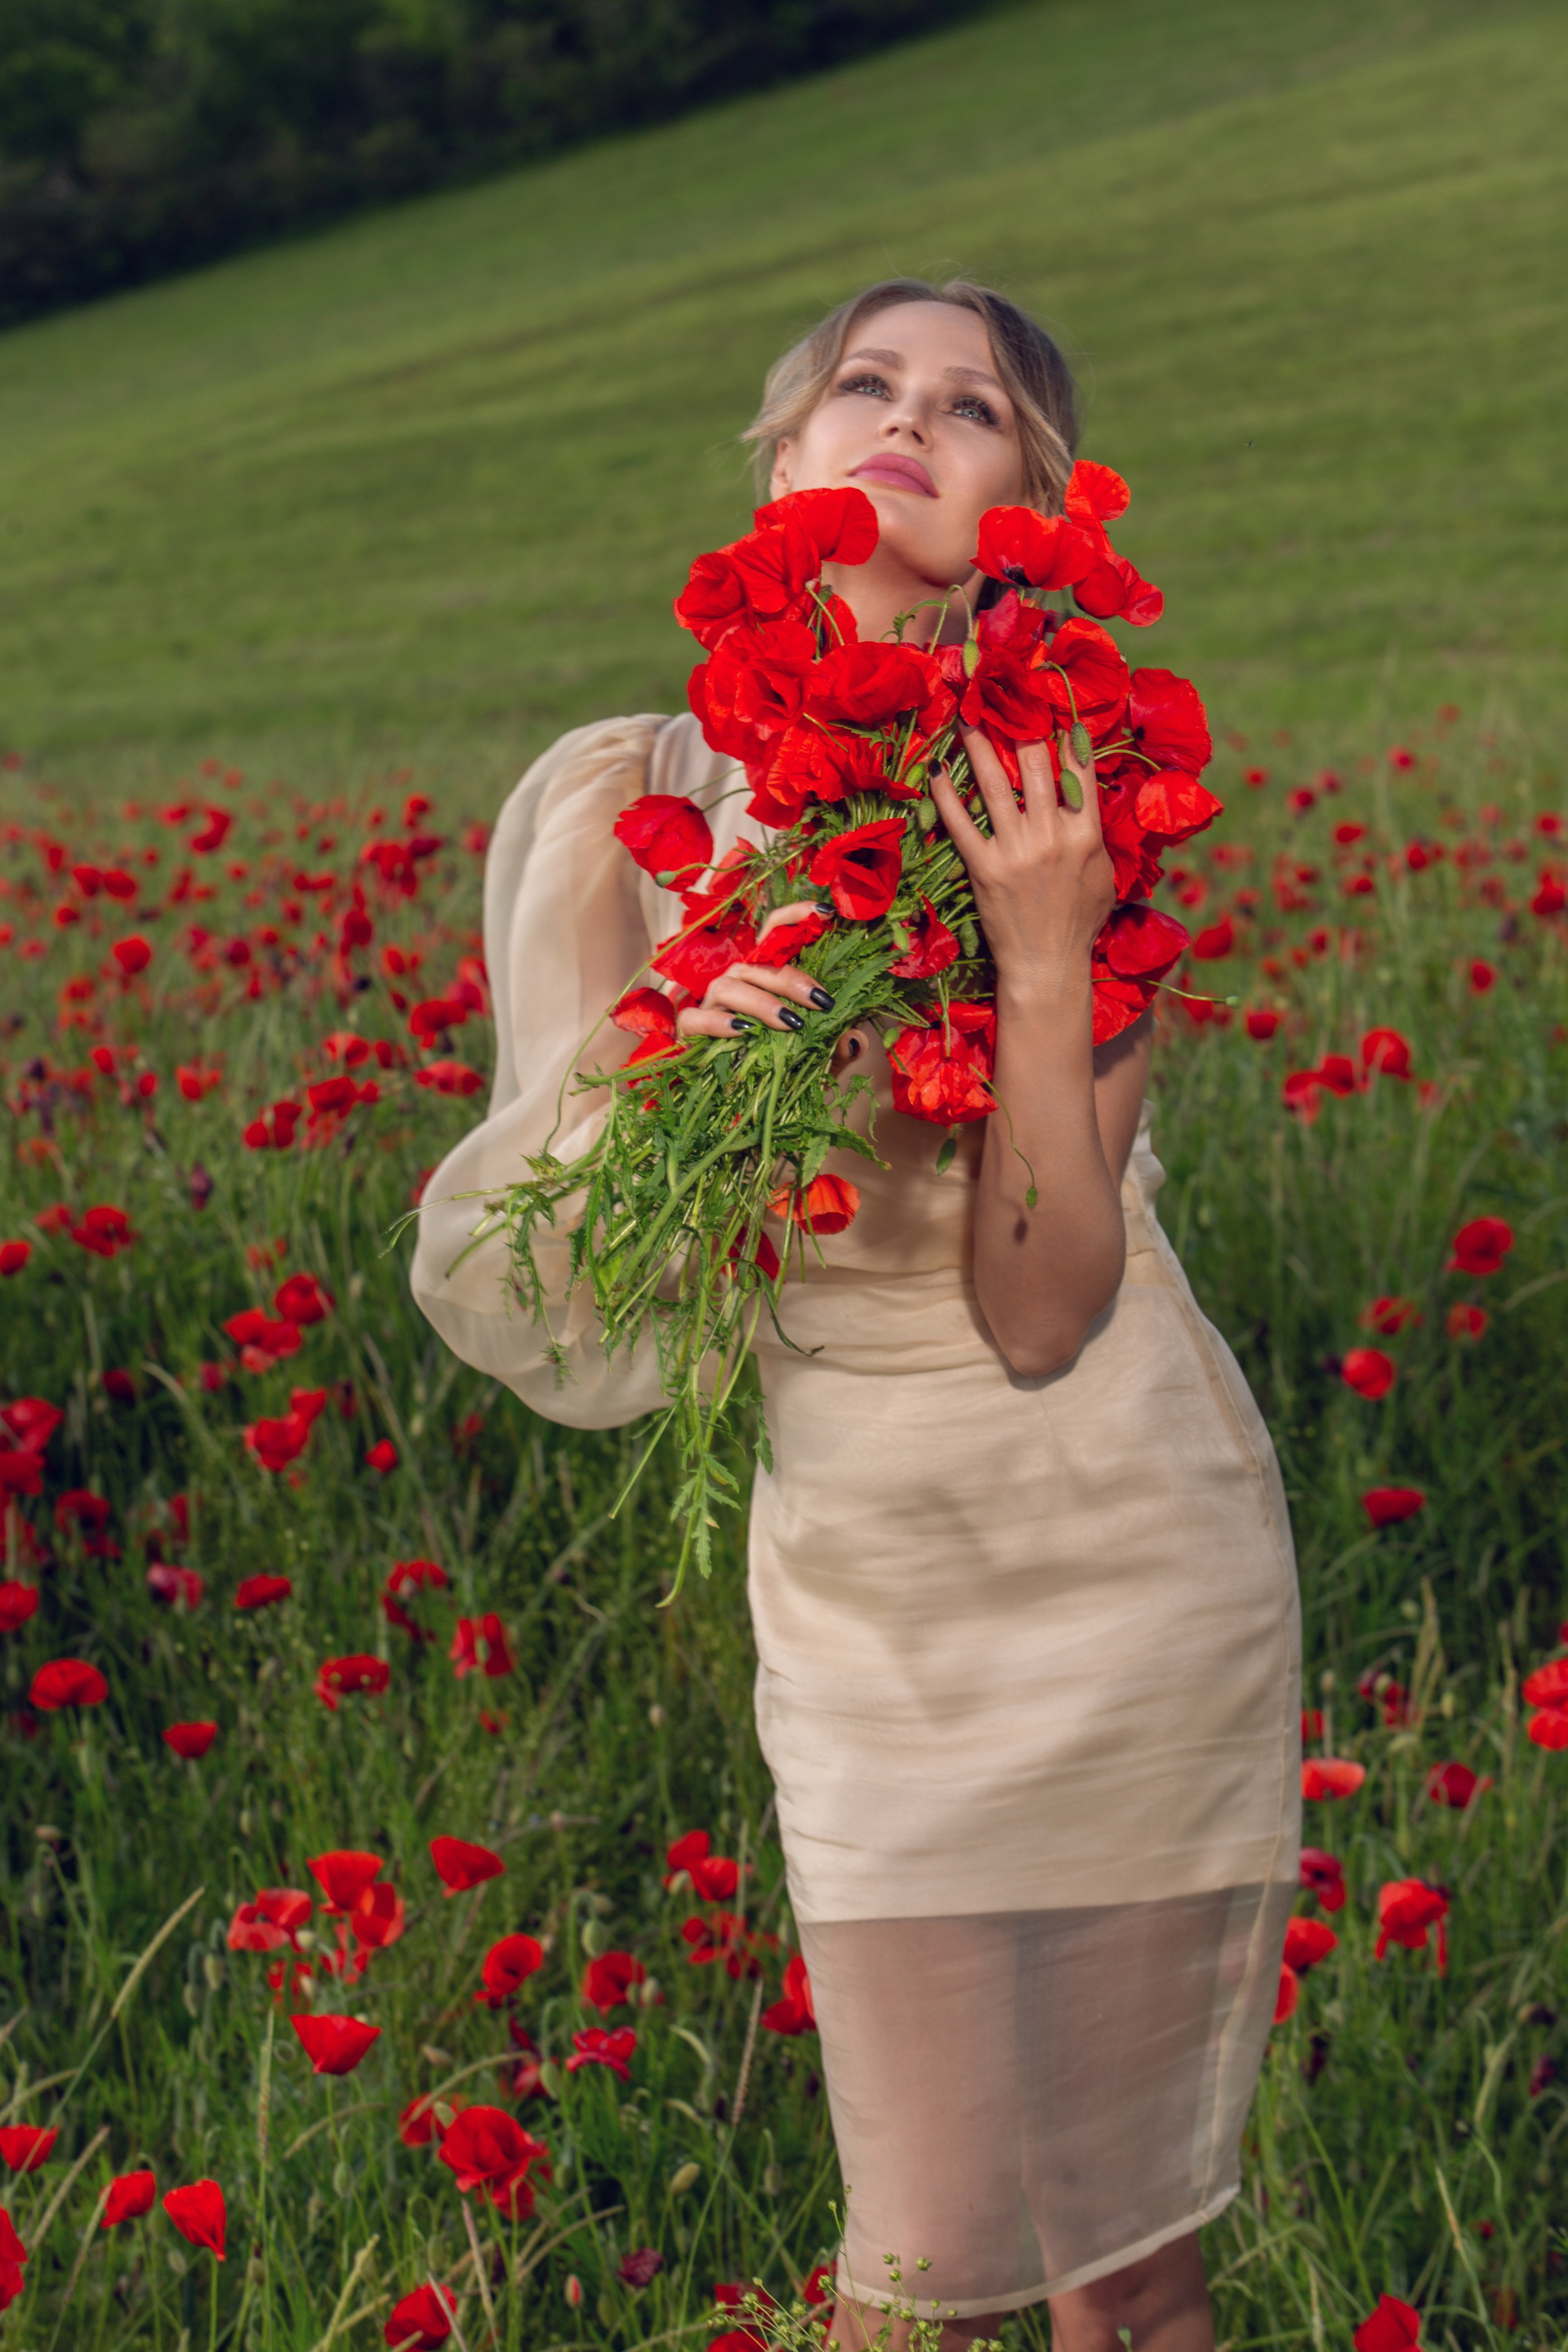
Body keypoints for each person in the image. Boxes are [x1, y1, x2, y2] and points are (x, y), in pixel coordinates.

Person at [412, 277, 1301, 2352]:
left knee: (1133, 2273)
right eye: (866, 383)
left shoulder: (1078, 795)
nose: (910, 416)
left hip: (1130, 1556)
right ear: (785, 460)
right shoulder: (623, 810)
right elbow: (570, 1289)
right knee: (915, 2274)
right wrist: (680, 1080)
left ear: (1029, 506)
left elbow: (1044, 1310)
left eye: (972, 406)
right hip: (870, 1606)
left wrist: (1044, 949)